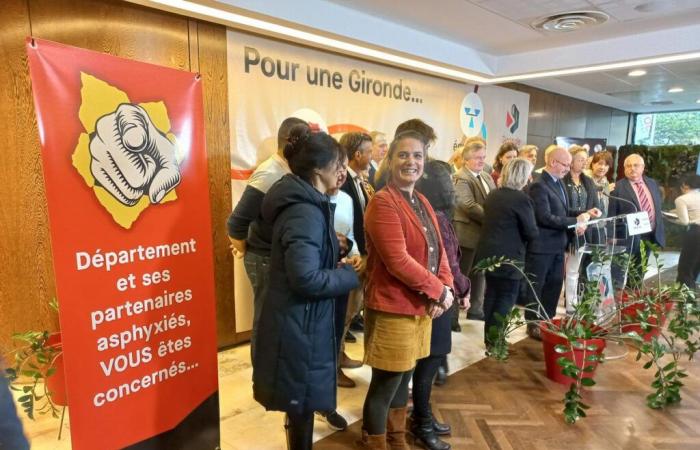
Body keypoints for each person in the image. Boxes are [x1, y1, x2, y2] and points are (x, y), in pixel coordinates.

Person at [252, 126, 360, 450]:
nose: (343, 172)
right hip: (298, 324)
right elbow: (306, 278)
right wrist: (349, 277)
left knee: (300, 402)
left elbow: (302, 258)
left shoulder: (306, 201)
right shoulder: (304, 210)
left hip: (301, 321)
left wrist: (335, 250)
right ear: (318, 169)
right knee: (299, 403)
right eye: (338, 164)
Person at [360, 130, 454, 449]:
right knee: (385, 384)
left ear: (424, 163)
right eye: (403, 155)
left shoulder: (422, 200)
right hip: (392, 309)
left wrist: (445, 289)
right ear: (390, 160)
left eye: (417, 156)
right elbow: (398, 261)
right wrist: (438, 292)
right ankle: (375, 443)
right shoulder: (383, 203)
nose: (410, 161)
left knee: (404, 379)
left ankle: (397, 439)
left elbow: (438, 251)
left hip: (420, 309)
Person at [226, 117, 307, 359]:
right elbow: (236, 222)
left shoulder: (286, 169)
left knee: (277, 317)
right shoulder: (269, 173)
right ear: (292, 142)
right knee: (266, 319)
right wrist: (246, 249)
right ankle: (262, 374)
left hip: (275, 256)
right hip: (264, 258)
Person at [412, 160, 471, 450]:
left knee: (427, 362)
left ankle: (422, 416)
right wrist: (463, 289)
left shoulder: (421, 211)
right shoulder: (436, 217)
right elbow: (449, 262)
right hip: (437, 298)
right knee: (429, 362)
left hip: (431, 296)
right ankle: (421, 422)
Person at [524, 146, 600, 339]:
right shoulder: (539, 185)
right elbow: (545, 218)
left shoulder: (558, 183)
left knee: (555, 284)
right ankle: (533, 323)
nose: (568, 168)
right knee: (537, 286)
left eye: (568, 164)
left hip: (558, 244)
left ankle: (548, 320)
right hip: (542, 247)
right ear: (552, 162)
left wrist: (583, 214)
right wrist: (576, 221)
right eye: (565, 164)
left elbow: (562, 213)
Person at [476, 158, 538, 349]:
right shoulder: (521, 199)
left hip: (488, 253)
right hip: (510, 256)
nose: (531, 177)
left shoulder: (494, 194)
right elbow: (531, 231)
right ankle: (496, 341)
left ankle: (490, 338)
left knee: (492, 294)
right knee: (506, 297)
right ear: (523, 176)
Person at [327, 150, 365, 416]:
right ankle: (330, 370)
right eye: (335, 167)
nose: (341, 173)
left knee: (344, 318)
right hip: (322, 274)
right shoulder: (309, 201)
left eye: (343, 168)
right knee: (327, 325)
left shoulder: (347, 199)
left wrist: (354, 256)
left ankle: (338, 358)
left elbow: (349, 233)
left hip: (343, 270)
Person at [339, 132, 374, 383]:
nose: (372, 157)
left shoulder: (361, 180)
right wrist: (353, 252)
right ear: (357, 154)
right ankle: (333, 367)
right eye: (369, 152)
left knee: (350, 312)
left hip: (360, 255)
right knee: (342, 313)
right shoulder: (342, 182)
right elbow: (344, 225)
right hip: (348, 258)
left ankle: (339, 355)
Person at [453, 139, 495, 324]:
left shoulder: (486, 176)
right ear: (466, 159)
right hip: (467, 234)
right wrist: (495, 218)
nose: (481, 161)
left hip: (484, 235)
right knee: (461, 275)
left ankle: (476, 309)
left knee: (481, 273)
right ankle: (452, 317)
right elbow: (468, 206)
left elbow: (495, 199)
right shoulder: (461, 177)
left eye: (483, 157)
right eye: (477, 158)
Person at [608, 154, 665, 284]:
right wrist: (611, 235)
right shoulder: (618, 187)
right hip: (626, 236)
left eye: (636, 165)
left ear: (643, 167)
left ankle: (633, 300)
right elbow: (612, 214)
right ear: (624, 168)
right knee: (619, 272)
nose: (632, 168)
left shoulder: (651, 183)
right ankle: (617, 301)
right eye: (628, 166)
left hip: (649, 235)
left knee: (639, 271)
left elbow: (656, 205)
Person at [673, 174, 700, 290]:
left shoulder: (681, 199)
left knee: (686, 266)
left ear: (685, 185)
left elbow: (684, 222)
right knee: (696, 265)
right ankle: (692, 295)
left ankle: (684, 296)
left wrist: (668, 217)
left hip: (696, 233)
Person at [588, 151, 614, 217]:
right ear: (593, 164)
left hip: (601, 223)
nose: (602, 167)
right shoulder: (585, 179)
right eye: (600, 164)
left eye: (606, 165)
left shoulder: (605, 182)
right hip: (587, 222)